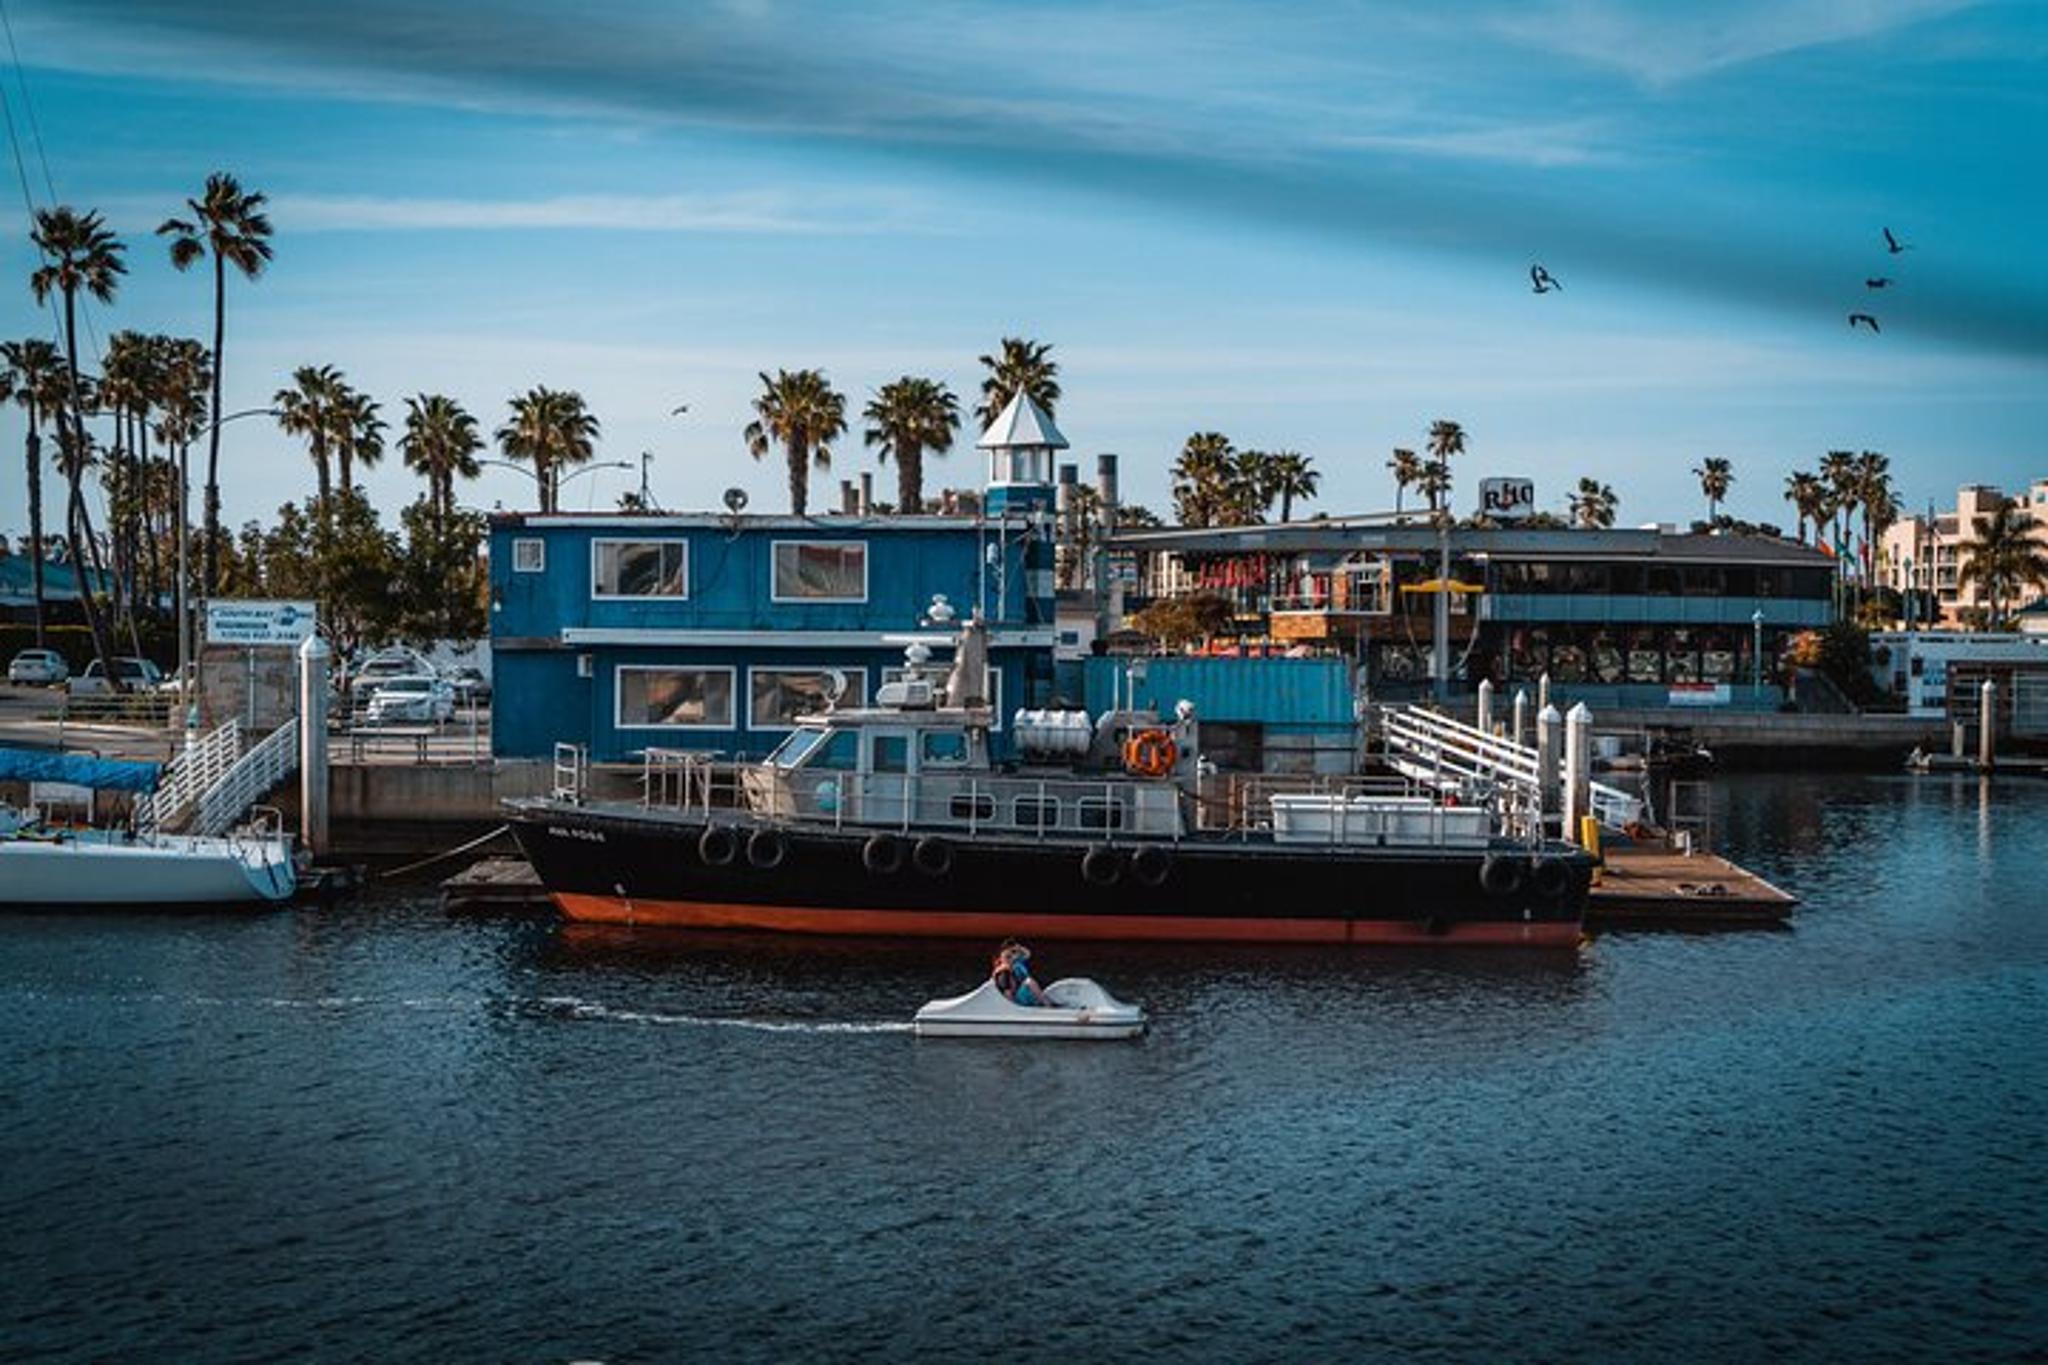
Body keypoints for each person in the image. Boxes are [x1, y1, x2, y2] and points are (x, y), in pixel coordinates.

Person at [990, 940, 1051, 1006]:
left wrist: (1018, 947)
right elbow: (1007, 993)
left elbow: (1027, 954)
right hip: (1016, 1001)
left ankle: (1042, 1001)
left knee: (1029, 983)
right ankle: (1048, 1005)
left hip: (1021, 996)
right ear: (1001, 958)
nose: (1011, 958)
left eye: (1012, 955)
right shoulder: (1003, 973)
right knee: (1029, 982)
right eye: (1008, 957)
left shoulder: (1015, 965)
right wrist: (1016, 1009)